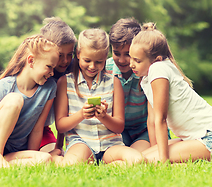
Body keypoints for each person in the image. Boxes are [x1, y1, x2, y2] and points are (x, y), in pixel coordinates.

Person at [129, 22, 212, 164]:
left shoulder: (158, 69)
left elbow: (161, 119)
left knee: (139, 162)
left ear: (157, 59)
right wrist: (156, 153)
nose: (131, 64)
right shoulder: (147, 78)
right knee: (138, 158)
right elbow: (152, 121)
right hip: (196, 138)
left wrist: (162, 161)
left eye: (137, 60)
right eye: (131, 58)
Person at [0, 35, 60, 168]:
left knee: (45, 159)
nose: (52, 73)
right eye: (49, 66)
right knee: (15, 100)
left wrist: (32, 154)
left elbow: (37, 130)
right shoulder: (6, 85)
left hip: (13, 151)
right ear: (31, 60)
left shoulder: (49, 88)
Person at [54, 28, 144, 166]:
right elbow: (60, 126)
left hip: (110, 144)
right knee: (70, 164)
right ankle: (94, 162)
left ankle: (107, 164)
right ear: (78, 54)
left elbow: (119, 127)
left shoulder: (114, 82)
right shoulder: (65, 83)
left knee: (137, 159)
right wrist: (81, 114)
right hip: (81, 142)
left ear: (105, 57)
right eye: (87, 60)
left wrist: (103, 117)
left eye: (99, 62)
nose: (92, 66)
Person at [106, 18, 151, 152]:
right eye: (116, 53)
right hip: (117, 132)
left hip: (145, 130)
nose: (121, 60)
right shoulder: (104, 70)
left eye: (127, 54)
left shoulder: (147, 71)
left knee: (138, 155)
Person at [39, 17, 77, 155]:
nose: (65, 61)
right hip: (24, 128)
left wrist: (59, 146)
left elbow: (64, 113)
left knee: (56, 155)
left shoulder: (71, 70)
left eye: (70, 54)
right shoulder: (40, 73)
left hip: (43, 130)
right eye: (60, 55)